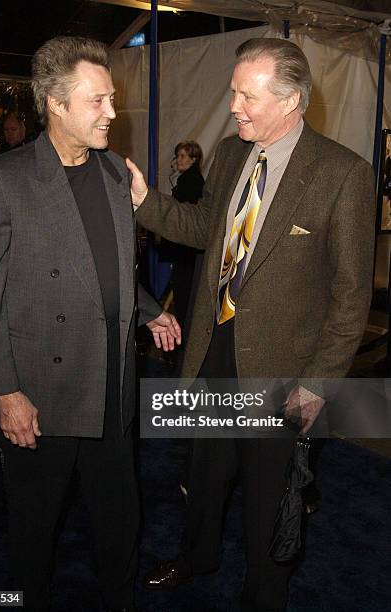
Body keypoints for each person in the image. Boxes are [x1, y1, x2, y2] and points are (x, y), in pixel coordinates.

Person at [126, 38, 375, 611]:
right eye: (234, 90)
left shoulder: (343, 175)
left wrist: (318, 383)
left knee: (269, 495)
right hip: (216, 345)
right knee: (204, 471)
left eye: (246, 94)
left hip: (284, 371)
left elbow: (350, 297)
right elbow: (204, 230)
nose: (233, 104)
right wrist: (144, 201)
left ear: (290, 101)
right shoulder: (231, 154)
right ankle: (197, 556)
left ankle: (264, 595)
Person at [0, 35, 180, 612]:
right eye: (98, 101)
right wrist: (6, 391)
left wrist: (152, 310)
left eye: (111, 99)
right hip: (39, 391)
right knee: (36, 527)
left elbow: (100, 266)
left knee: (119, 517)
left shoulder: (113, 173)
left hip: (111, 384)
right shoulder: (2, 180)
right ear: (55, 104)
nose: (112, 113)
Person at [161, 140, 204, 341]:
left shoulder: (191, 181)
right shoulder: (188, 179)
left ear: (193, 159)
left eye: (183, 156)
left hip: (185, 250)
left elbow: (184, 216)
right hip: (185, 250)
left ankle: (184, 339)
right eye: (177, 156)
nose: (178, 160)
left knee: (184, 294)